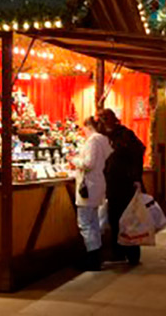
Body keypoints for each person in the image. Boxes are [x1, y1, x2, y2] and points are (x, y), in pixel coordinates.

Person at [98, 108, 146, 265]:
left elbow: (140, 150)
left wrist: (135, 176)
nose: (104, 120)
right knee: (114, 219)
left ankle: (132, 253)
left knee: (128, 219)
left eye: (106, 117)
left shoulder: (125, 134)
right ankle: (118, 252)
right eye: (101, 117)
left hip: (125, 183)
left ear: (114, 118)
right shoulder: (102, 136)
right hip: (110, 183)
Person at [72, 116, 113, 271]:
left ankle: (92, 257)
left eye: (83, 129)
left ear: (88, 126)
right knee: (94, 221)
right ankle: (96, 256)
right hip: (98, 184)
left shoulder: (93, 141)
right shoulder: (104, 140)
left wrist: (74, 160)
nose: (83, 132)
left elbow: (88, 163)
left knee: (85, 223)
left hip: (88, 186)